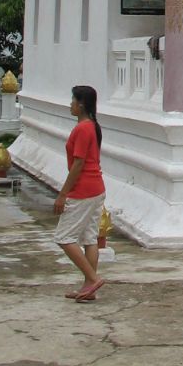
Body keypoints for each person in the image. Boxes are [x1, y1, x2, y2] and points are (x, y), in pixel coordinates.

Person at [53, 85, 106, 302]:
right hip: (96, 188)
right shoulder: (92, 126)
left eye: (73, 100)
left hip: (83, 189)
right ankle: (88, 287)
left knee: (64, 237)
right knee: (89, 238)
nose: (70, 104)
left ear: (81, 103)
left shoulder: (82, 129)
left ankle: (92, 279)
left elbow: (78, 164)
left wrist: (63, 194)